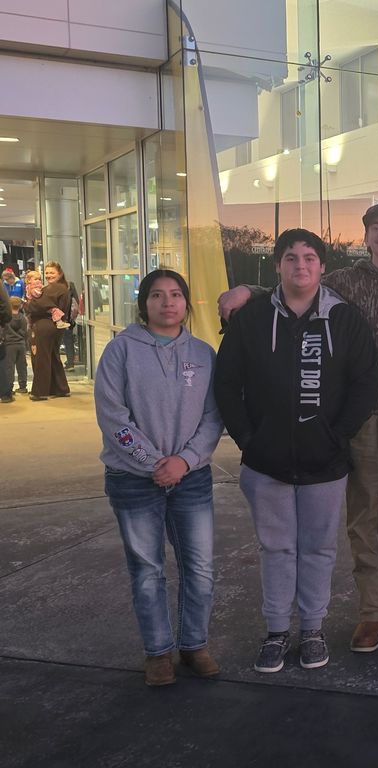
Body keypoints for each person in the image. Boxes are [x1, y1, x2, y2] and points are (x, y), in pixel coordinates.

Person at [218, 204, 378, 653]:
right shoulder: (346, 282)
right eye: (376, 228)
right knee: (361, 521)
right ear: (366, 237)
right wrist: (247, 288)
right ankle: (372, 613)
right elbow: (298, 286)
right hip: (361, 420)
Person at [215, 228, 378, 673]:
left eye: (309, 258)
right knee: (276, 548)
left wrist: (338, 434)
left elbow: (366, 381)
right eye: (291, 258)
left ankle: (312, 629)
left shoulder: (345, 319)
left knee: (319, 548)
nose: (301, 265)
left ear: (323, 266)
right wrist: (247, 438)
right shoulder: (250, 320)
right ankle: (275, 632)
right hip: (265, 460)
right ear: (278, 267)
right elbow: (227, 382)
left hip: (325, 461)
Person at [93, 269, 223, 687]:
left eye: (175, 295)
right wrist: (153, 462)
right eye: (156, 295)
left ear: (186, 303)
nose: (167, 302)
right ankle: (158, 653)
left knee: (199, 568)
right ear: (143, 304)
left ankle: (194, 645)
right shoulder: (120, 351)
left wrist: (183, 461)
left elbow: (213, 415)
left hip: (192, 478)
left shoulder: (204, 354)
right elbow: (113, 416)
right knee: (147, 570)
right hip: (133, 479)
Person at [23, 262, 71, 400]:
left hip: (44, 327)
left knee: (41, 358)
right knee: (53, 357)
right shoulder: (61, 288)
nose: (48, 275)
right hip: (54, 326)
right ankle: (60, 388)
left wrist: (27, 305)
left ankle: (40, 391)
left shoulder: (54, 288)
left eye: (52, 273)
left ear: (59, 274)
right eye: (47, 273)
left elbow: (36, 305)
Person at [2, 295, 28, 403]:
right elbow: (25, 331)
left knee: (9, 367)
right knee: (22, 366)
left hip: (9, 345)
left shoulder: (6, 318)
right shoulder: (23, 318)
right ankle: (23, 386)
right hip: (21, 344)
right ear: (20, 305)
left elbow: (3, 330)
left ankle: (10, 387)